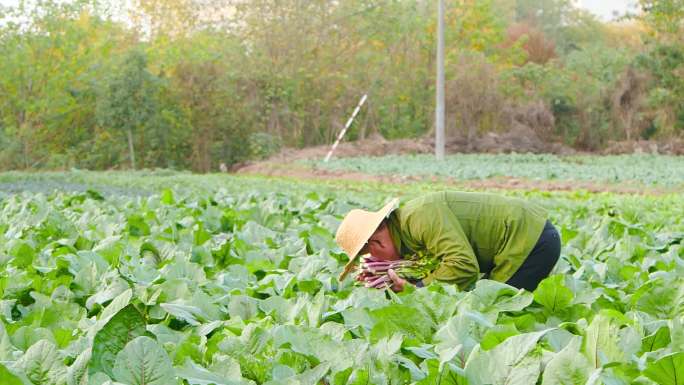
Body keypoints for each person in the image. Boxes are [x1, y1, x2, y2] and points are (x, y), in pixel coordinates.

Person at [335, 191, 561, 292]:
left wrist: (418, 288)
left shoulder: (419, 218)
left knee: (496, 308)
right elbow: (443, 266)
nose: (372, 261)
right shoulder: (406, 235)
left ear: (377, 243)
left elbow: (463, 266)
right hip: (522, 240)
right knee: (484, 303)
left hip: (529, 239)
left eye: (368, 255)